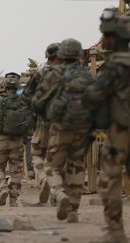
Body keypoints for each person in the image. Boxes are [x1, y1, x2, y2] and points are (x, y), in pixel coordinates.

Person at [32, 38, 94, 223]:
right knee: (76, 167)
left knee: (52, 166)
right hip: (83, 128)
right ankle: (73, 211)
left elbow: (37, 101)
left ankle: (59, 194)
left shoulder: (54, 74)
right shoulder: (87, 75)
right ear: (79, 55)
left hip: (60, 127)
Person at [82, 9, 130, 243]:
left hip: (121, 131)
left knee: (110, 181)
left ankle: (115, 232)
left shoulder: (115, 66)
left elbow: (92, 95)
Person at [20, 42, 62, 206]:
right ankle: (56, 196)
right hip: (67, 125)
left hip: (44, 124)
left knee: (37, 154)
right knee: (60, 161)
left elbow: (25, 98)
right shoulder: (74, 72)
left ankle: (45, 178)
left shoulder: (42, 73)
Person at [0, 77, 29, 207]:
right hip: (17, 141)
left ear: (5, 88)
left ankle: (2, 188)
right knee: (16, 171)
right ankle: (13, 199)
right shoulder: (23, 102)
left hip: (0, 140)